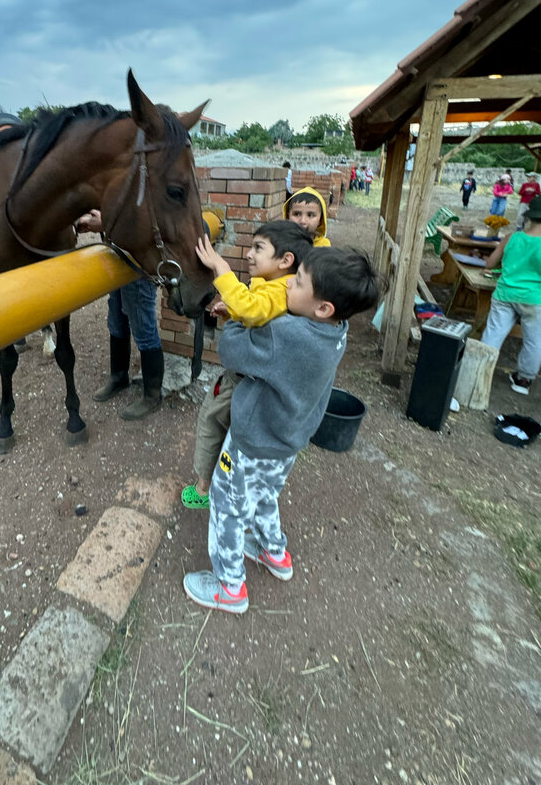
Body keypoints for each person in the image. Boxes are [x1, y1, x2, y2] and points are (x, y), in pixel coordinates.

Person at [182, 247, 384, 613]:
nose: (289, 283)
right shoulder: (337, 330)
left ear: (323, 307)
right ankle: (274, 553)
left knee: (227, 505)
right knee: (263, 495)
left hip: (253, 441)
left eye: (299, 282)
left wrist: (241, 317)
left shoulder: (287, 334)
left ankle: (230, 588)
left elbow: (231, 351)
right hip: (288, 442)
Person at [181, 221, 313, 510]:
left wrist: (221, 269)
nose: (250, 254)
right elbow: (259, 314)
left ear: (285, 260)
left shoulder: (279, 289)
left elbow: (253, 310)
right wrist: (233, 310)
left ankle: (204, 490)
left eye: (258, 248)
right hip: (258, 383)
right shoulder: (280, 286)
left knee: (211, 421)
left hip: (242, 379)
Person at [76, 209, 164, 420]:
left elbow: (150, 219)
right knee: (116, 320)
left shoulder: (151, 177)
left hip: (139, 260)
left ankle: (153, 395)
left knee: (143, 326)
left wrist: (106, 221)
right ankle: (119, 376)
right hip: (116, 255)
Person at [481, 195, 541, 395]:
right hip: (534, 298)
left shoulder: (510, 238)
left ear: (529, 217)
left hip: (505, 293)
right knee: (534, 340)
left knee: (494, 332)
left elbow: (489, 264)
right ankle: (523, 380)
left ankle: (480, 371)